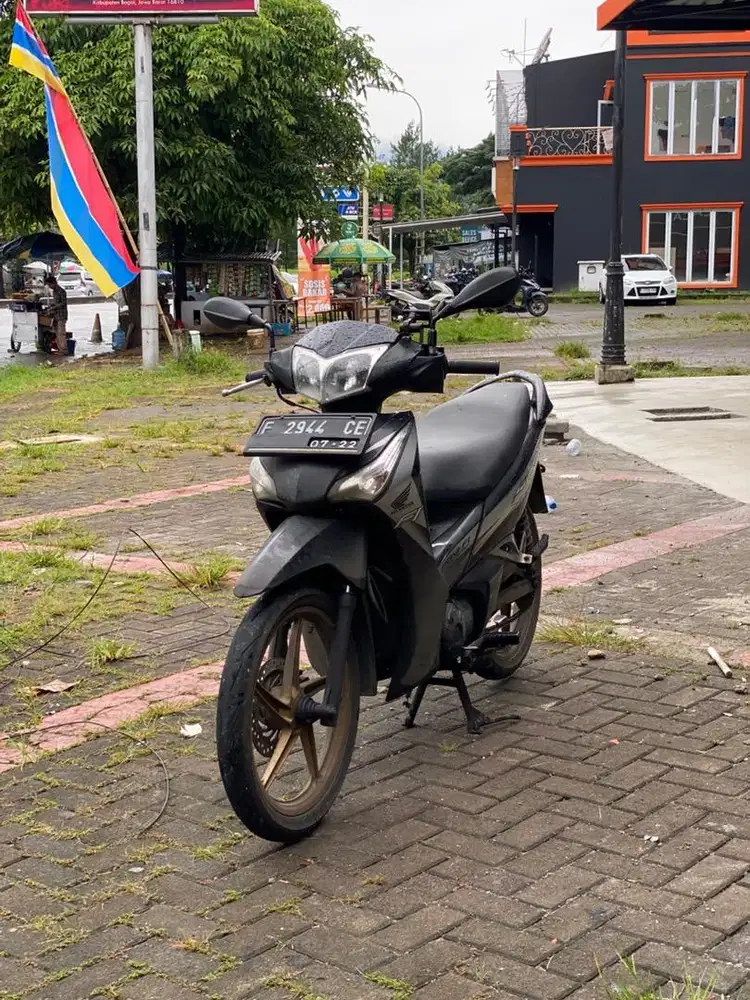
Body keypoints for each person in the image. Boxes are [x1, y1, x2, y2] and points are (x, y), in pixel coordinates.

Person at [44, 273, 68, 352]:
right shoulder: (54, 292)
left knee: (61, 333)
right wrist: (51, 305)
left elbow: (63, 303)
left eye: (50, 285)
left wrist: (53, 307)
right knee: (57, 334)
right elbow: (56, 302)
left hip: (61, 315)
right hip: (55, 315)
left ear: (54, 283)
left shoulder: (62, 291)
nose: (49, 287)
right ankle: (60, 349)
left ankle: (64, 350)